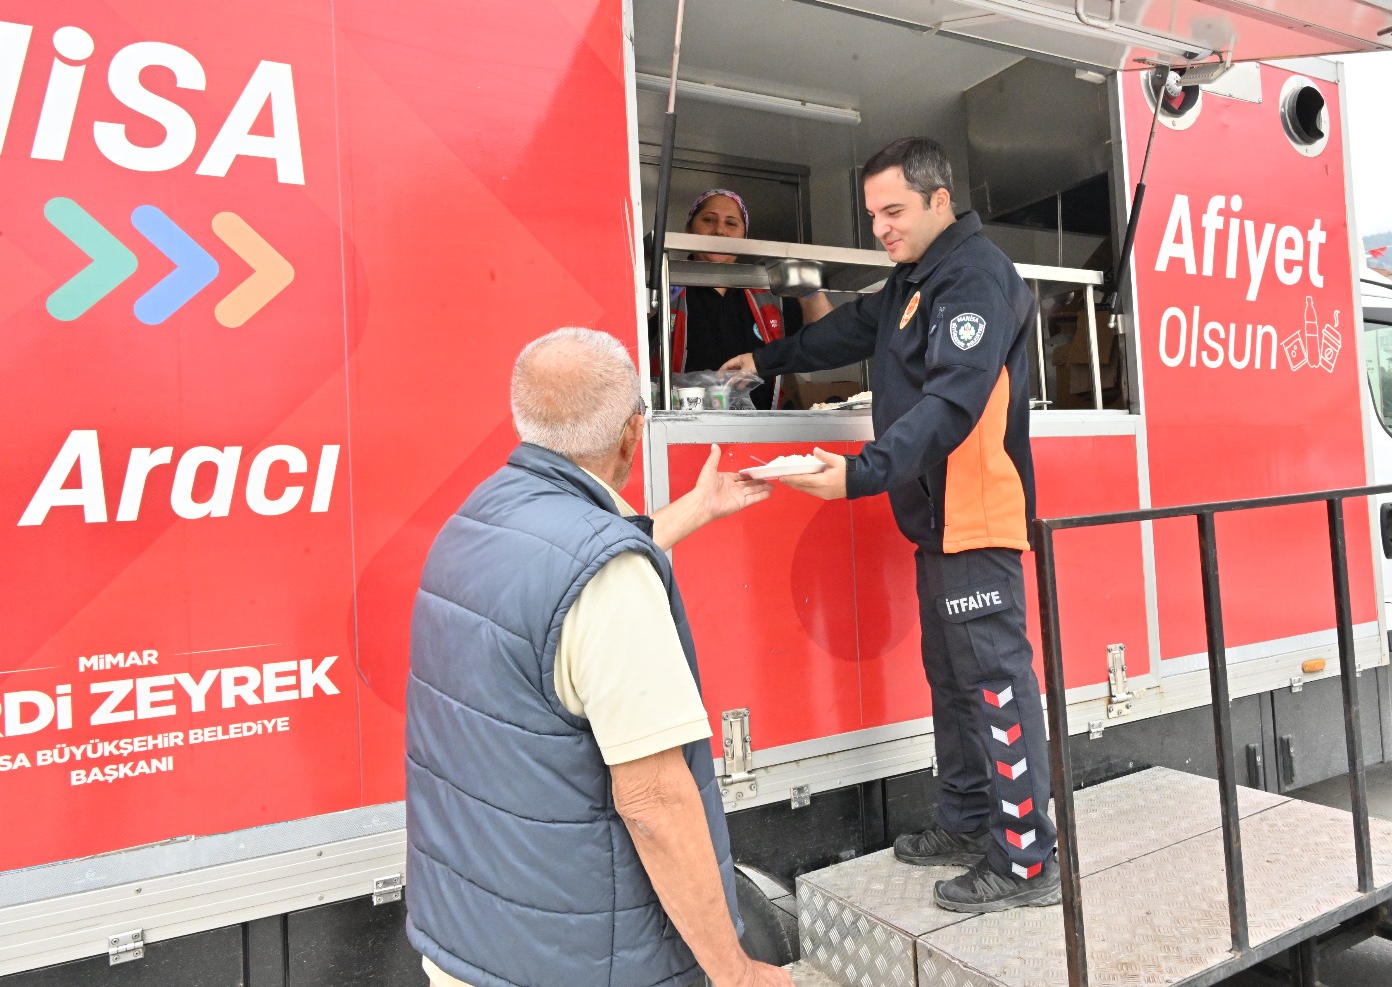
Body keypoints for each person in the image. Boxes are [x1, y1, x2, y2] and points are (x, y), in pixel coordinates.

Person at [723, 138, 1058, 914]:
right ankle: (971, 821)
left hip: (977, 518)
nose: (880, 226)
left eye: (894, 211)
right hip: (939, 523)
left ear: (941, 201)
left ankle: (1029, 862)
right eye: (872, 213)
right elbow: (850, 331)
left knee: (996, 687)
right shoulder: (917, 278)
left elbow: (950, 403)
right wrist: (764, 360)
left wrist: (863, 472)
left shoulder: (973, 276)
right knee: (954, 683)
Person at [405, 327, 792, 987]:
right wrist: (737, 973)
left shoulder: (477, 519)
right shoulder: (607, 579)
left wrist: (696, 509)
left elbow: (568, 577)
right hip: (579, 958)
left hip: (467, 939)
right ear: (632, 435)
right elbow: (654, 802)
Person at [668, 189, 831, 410]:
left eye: (731, 223)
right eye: (708, 220)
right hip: (677, 432)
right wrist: (649, 299)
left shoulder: (768, 292)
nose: (719, 231)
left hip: (761, 432)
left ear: (744, 236)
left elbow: (827, 339)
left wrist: (810, 292)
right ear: (689, 228)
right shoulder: (667, 285)